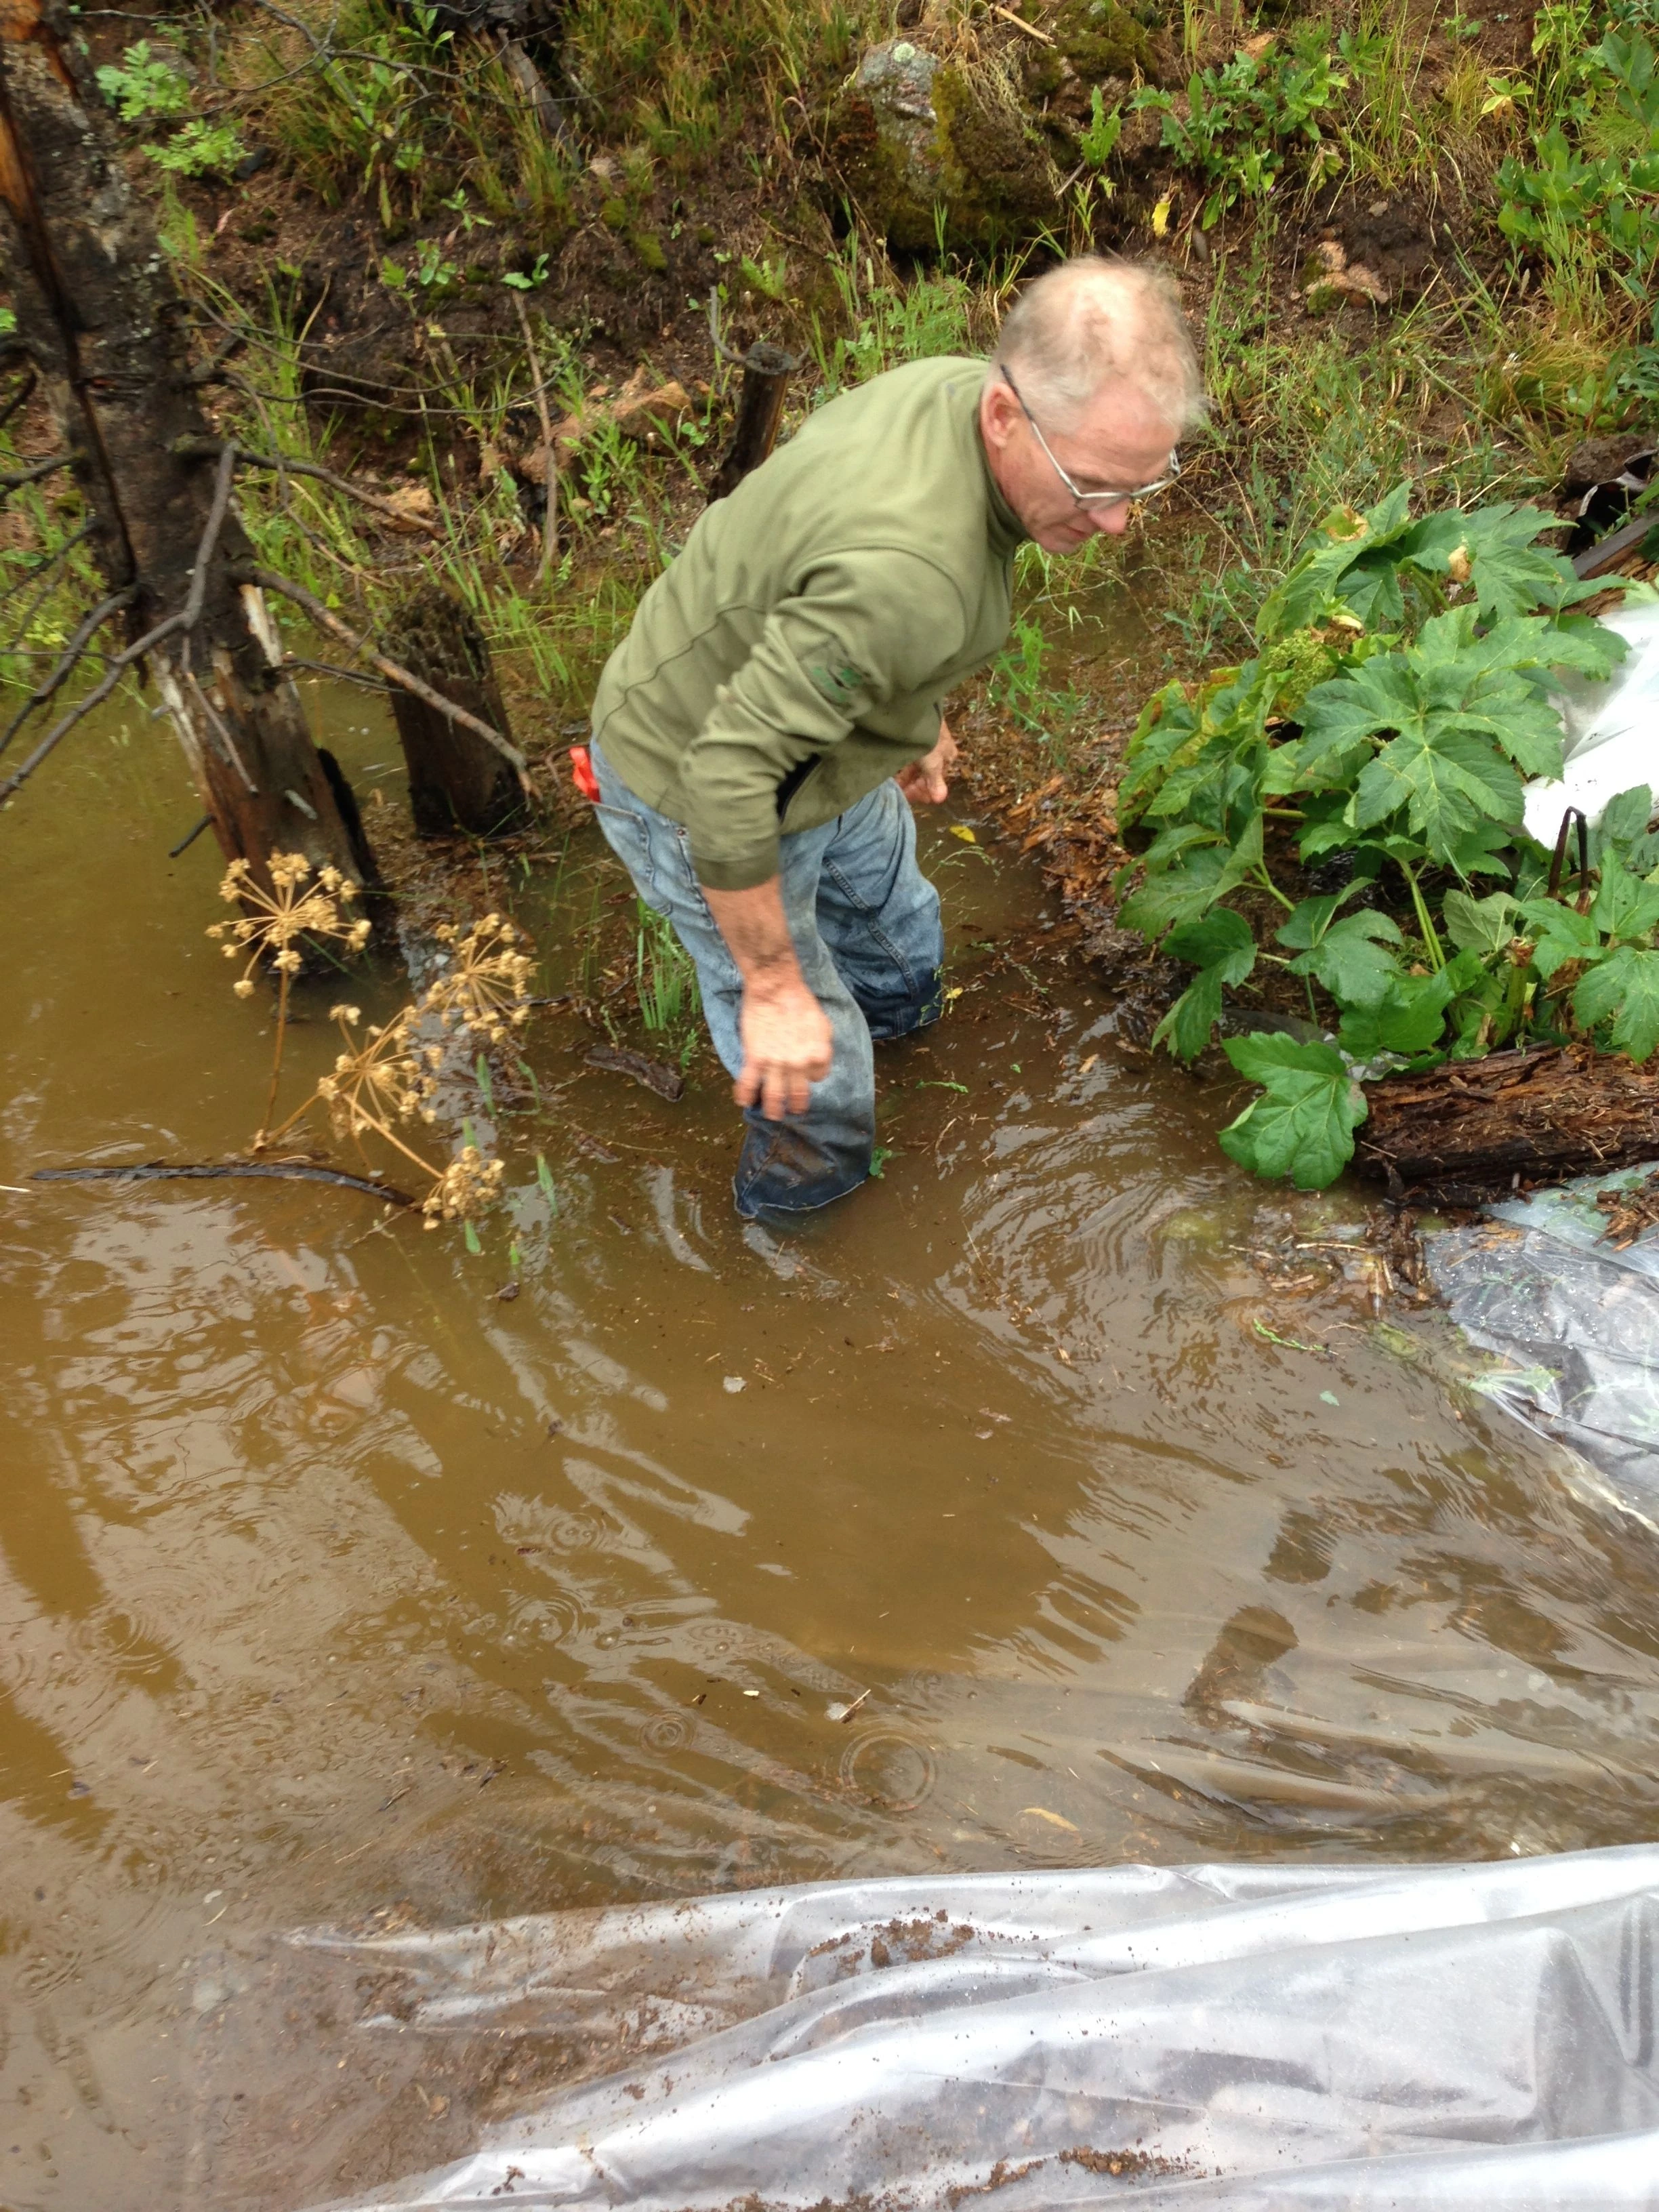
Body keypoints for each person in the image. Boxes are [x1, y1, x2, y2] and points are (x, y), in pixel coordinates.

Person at [586, 255, 1206, 1219]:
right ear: (1006, 416)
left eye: (1142, 484)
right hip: (699, 779)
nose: (1118, 522)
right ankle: (801, 1216)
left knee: (898, 935)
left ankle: (903, 1035)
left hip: (814, 738)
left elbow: (858, 621)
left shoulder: (962, 394)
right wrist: (776, 986)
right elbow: (727, 782)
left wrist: (917, 718)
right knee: (813, 1058)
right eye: (1093, 486)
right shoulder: (904, 575)